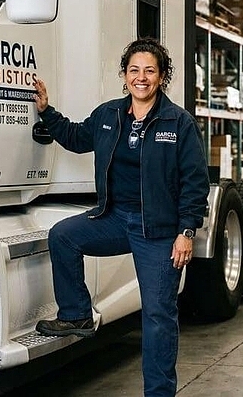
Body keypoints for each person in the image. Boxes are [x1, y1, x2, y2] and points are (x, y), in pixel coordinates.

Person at [32, 38, 210, 397]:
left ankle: (158, 393)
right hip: (113, 219)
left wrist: (186, 231)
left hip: (158, 230)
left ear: (162, 76)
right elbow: (76, 137)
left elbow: (195, 181)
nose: (141, 78)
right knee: (63, 235)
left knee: (158, 316)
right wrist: (47, 111)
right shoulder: (109, 115)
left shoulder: (178, 122)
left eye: (149, 71)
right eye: (134, 70)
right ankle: (76, 313)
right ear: (124, 75)